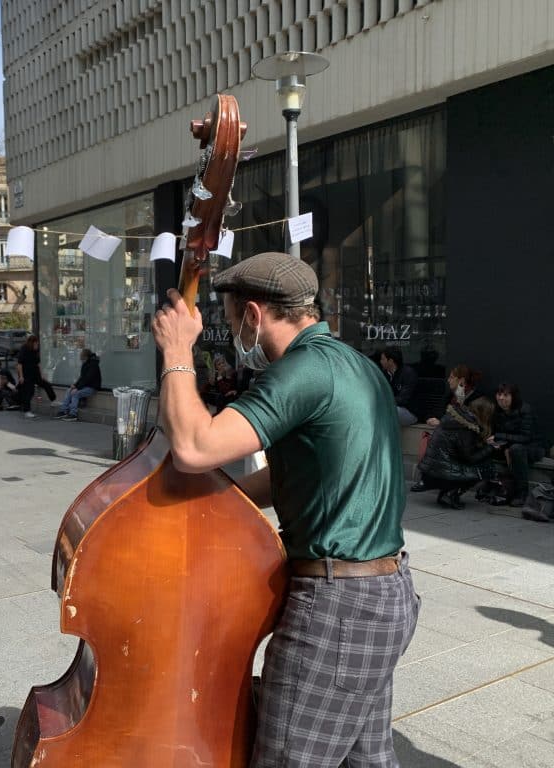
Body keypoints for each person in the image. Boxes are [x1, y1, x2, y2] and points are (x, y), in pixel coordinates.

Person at [151, 252, 417, 768]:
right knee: (366, 761)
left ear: (253, 315)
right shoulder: (353, 363)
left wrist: (178, 350)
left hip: (340, 605)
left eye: (230, 323)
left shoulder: (303, 370)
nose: (233, 335)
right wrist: (224, 506)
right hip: (380, 595)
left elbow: (193, 447)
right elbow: (295, 473)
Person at [416, 397, 497, 510]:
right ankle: (451, 494)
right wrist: (491, 447)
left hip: (430, 470)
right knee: (485, 466)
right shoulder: (467, 426)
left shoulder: (455, 418)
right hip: (442, 472)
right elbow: (470, 458)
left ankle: (446, 493)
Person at [488, 383, 543, 507]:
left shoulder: (525, 410)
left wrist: (499, 437)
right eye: (499, 394)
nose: (501, 398)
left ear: (513, 397)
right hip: (508, 445)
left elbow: (526, 437)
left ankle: (522, 493)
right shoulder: (497, 411)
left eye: (506, 395)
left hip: (531, 447)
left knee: (516, 450)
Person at [54, 348, 101, 421]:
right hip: (85, 385)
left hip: (92, 387)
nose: (82, 361)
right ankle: (63, 411)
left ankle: (73, 414)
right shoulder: (86, 363)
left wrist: (77, 388)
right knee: (69, 390)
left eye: (82, 359)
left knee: (75, 394)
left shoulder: (93, 365)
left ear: (86, 357)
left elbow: (87, 379)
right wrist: (75, 385)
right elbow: (82, 377)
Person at [16, 334, 55, 419]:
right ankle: (27, 411)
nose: (37, 345)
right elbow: (19, 364)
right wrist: (21, 376)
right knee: (29, 392)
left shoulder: (35, 351)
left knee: (47, 384)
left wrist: (41, 375)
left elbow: (38, 364)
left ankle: (53, 400)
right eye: (36, 344)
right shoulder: (24, 349)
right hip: (27, 375)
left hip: (35, 374)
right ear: (32, 343)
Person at [379, 347, 419, 425]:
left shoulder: (408, 374)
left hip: (409, 412)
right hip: (390, 407)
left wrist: (383, 402)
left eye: (383, 359)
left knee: (387, 411)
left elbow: (403, 399)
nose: (381, 362)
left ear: (390, 361)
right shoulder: (384, 374)